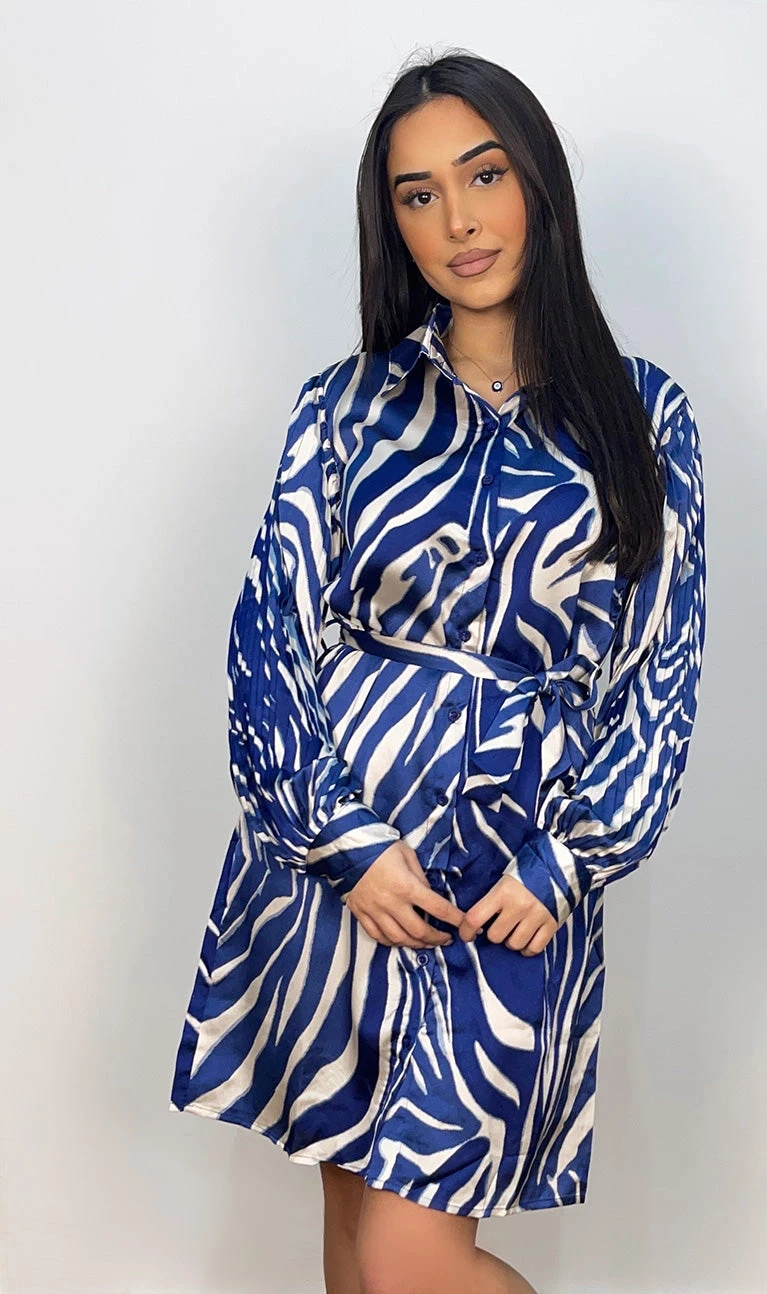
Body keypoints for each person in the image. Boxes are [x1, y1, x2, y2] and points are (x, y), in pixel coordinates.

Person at [168, 48, 707, 1294]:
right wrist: (341, 843)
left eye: (484, 175)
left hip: (515, 871)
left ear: (540, 184)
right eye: (418, 194)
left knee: (413, 1258)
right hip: (335, 863)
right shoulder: (344, 405)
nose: (458, 220)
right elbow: (268, 633)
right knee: (359, 1250)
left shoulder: (643, 415)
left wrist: (570, 857)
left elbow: (661, 671)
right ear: (393, 223)